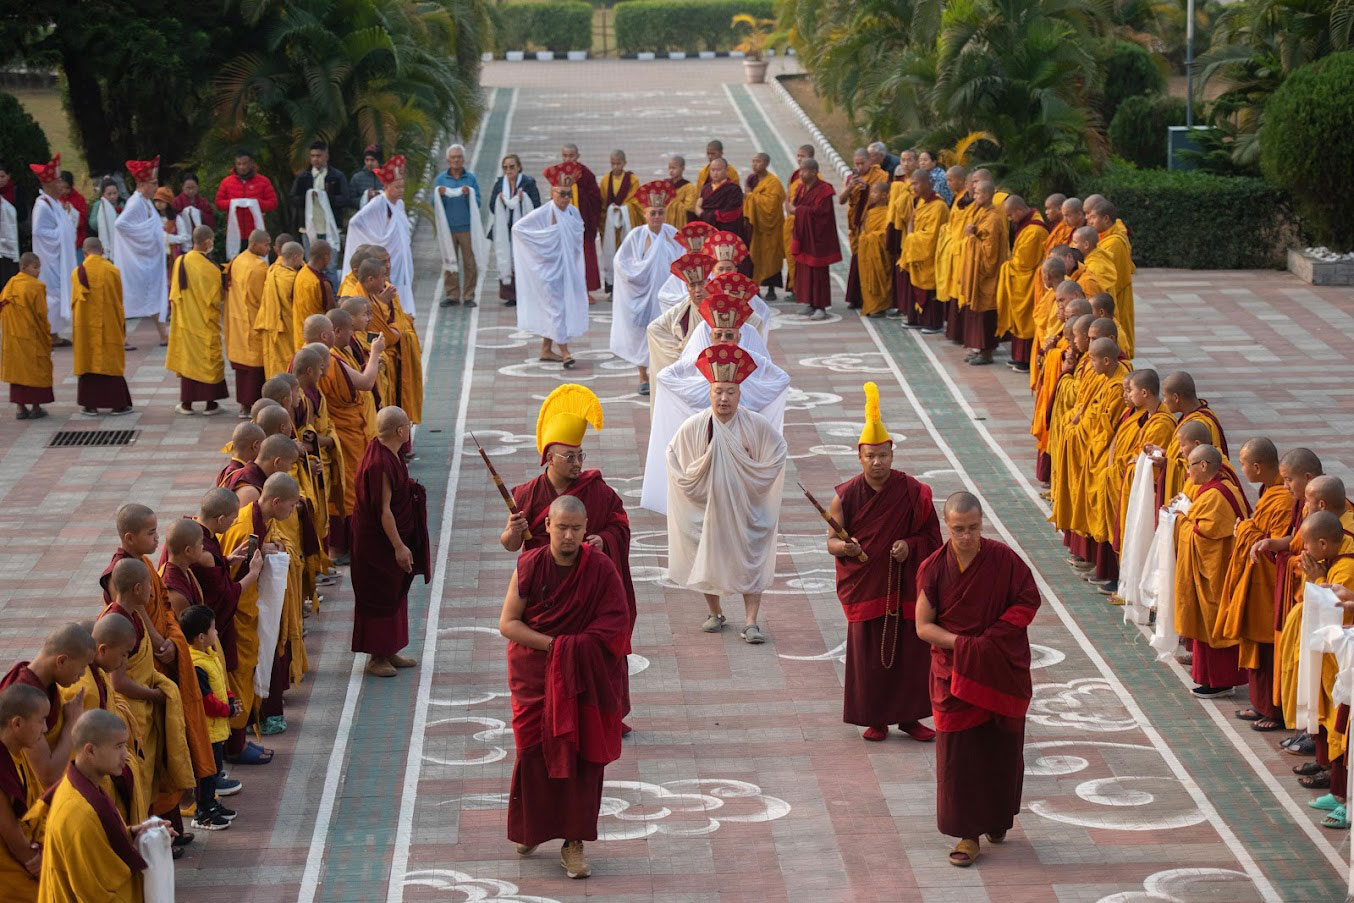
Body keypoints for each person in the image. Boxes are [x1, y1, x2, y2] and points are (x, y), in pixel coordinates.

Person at [499, 494, 629, 879]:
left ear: (586, 529)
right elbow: (508, 623)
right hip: (535, 676)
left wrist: (573, 651)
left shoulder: (601, 569)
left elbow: (616, 623)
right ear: (547, 528)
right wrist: (556, 646)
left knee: (580, 761)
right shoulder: (530, 565)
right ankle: (533, 829)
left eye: (575, 528)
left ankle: (574, 843)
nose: (568, 536)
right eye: (561, 528)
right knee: (532, 752)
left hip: (581, 681)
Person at [916, 491, 1039, 867]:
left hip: (999, 669)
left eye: (972, 528)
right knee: (960, 756)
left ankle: (997, 817)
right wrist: (965, 645)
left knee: (1000, 748)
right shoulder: (934, 568)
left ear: (982, 523)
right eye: (958, 529)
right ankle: (967, 834)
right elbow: (923, 626)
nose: (966, 536)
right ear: (945, 524)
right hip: (953, 675)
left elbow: (1028, 601)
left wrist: (991, 640)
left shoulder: (1004, 560)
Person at [828, 383, 941, 742]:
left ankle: (910, 719)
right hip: (866, 587)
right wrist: (844, 549)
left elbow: (933, 540)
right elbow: (832, 540)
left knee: (911, 654)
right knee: (869, 656)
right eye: (870, 457)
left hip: (903, 585)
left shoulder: (914, 492)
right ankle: (875, 718)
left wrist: (909, 546)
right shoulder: (845, 496)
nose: (878, 463)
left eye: (883, 456)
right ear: (859, 457)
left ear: (893, 455)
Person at [666, 344, 788, 644]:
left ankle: (750, 621)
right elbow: (673, 457)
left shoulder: (754, 425)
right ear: (709, 392)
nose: (724, 398)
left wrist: (754, 472)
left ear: (739, 394)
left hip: (746, 507)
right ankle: (715, 612)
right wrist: (695, 474)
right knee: (704, 556)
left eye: (730, 392)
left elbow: (778, 451)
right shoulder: (694, 426)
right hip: (706, 508)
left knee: (751, 558)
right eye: (718, 391)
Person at [502, 385, 636, 638]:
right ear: (550, 459)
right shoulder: (528, 493)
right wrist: (514, 531)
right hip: (543, 587)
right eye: (569, 457)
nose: (578, 464)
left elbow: (620, 525)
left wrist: (605, 539)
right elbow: (510, 545)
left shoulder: (597, 491)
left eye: (580, 456)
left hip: (586, 584)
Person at [217, 473, 301, 763]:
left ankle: (241, 737)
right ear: (276, 501)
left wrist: (267, 550)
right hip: (237, 614)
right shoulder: (244, 526)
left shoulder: (261, 519)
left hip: (250, 609)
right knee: (240, 674)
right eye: (290, 506)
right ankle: (234, 746)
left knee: (249, 669)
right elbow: (225, 578)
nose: (292, 512)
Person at [35, 709, 156, 902]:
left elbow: (100, 841)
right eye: (119, 747)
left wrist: (133, 833)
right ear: (90, 750)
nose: (126, 755)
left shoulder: (85, 788)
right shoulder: (78, 814)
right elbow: (94, 895)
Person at [1213, 437, 1291, 730]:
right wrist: (1249, 530)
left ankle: (1273, 710)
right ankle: (1261, 705)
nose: (1242, 468)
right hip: (1260, 582)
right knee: (1259, 647)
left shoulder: (1282, 498)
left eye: (1244, 464)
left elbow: (1275, 547)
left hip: (1269, 586)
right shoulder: (1271, 491)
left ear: (1257, 466)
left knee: (1269, 648)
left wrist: (1243, 529)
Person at [351, 407, 429, 677]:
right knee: (380, 596)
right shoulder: (379, 464)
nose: (409, 429)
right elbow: (384, 510)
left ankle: (389, 649)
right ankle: (376, 657)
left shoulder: (387, 452)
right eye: (408, 425)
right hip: (377, 544)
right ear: (399, 431)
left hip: (387, 537)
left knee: (395, 593)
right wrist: (398, 546)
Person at [1174, 445, 1249, 697]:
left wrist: (1181, 520)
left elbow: (1202, 533)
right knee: (1208, 621)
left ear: (1204, 466)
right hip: (1215, 566)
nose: (1187, 472)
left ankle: (1221, 681)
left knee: (1214, 621)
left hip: (1216, 570)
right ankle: (1209, 677)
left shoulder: (1217, 495)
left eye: (1190, 465)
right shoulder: (1218, 489)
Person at [319, 309, 384, 557]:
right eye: (349, 332)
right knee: (346, 488)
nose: (353, 335)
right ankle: (340, 547)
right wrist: (376, 353)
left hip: (346, 431)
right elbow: (366, 383)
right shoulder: (330, 361)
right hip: (340, 435)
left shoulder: (334, 356)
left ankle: (344, 545)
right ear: (333, 333)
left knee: (347, 487)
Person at [513, 162, 589, 368]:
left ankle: (546, 349)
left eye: (568, 194)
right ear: (552, 192)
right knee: (557, 310)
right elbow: (519, 229)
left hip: (567, 270)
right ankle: (565, 353)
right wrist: (546, 244)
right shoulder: (543, 213)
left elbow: (577, 234)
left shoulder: (573, 213)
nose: (565, 199)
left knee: (560, 309)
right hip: (549, 272)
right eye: (561, 194)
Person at [608, 180, 680, 395]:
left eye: (660, 212)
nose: (657, 217)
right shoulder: (636, 236)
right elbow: (621, 263)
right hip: (642, 295)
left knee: (668, 335)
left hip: (667, 296)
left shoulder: (672, 233)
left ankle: (664, 375)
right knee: (642, 334)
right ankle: (642, 375)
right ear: (645, 214)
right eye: (653, 213)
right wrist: (639, 276)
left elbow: (684, 258)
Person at [0, 622, 93, 787]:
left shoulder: (44, 683)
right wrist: (71, 723)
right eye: (82, 666)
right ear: (61, 661)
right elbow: (47, 775)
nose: (83, 674)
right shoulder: (26, 698)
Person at [342, 155, 418, 315]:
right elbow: (355, 222)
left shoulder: (400, 204)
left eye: (402, 187)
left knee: (402, 288)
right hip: (387, 255)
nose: (401, 191)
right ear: (386, 187)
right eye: (397, 187)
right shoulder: (378, 203)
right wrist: (377, 240)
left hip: (400, 256)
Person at [167, 225, 228, 414]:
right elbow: (217, 298)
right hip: (204, 323)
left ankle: (187, 404)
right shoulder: (210, 269)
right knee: (208, 360)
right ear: (208, 241)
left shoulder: (180, 261)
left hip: (185, 323)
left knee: (189, 361)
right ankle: (211, 404)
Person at [71, 237, 133, 415]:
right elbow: (118, 301)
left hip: (85, 330)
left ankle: (90, 405)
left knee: (88, 359)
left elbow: (74, 304)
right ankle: (117, 405)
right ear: (103, 250)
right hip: (109, 325)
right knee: (110, 360)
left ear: (84, 252)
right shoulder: (112, 271)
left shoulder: (77, 273)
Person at [1146, 371, 1226, 508]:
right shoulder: (1192, 416)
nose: (1164, 401)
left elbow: (1202, 466)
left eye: (1165, 397)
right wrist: (1165, 452)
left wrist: (1166, 463)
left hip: (1197, 493)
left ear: (1176, 397)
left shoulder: (1201, 422)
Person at [114, 158, 170, 339]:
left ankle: (163, 334)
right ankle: (119, 337)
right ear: (142, 184)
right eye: (153, 183)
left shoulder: (146, 201)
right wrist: (145, 240)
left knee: (153, 292)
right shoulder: (136, 202)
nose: (156, 187)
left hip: (148, 259)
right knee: (128, 295)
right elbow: (121, 224)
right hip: (138, 260)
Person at [0, 684, 47, 900]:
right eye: (41, 721)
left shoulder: (17, 754)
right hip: (13, 868)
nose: (45, 729)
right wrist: (36, 864)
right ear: (17, 723)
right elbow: (10, 831)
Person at [957, 181, 1009, 365]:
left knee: (985, 313)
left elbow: (990, 253)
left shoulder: (993, 218)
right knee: (975, 313)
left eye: (978, 193)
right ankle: (976, 348)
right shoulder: (979, 211)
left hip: (988, 275)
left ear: (987, 195)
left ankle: (987, 353)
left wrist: (971, 237)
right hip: (976, 274)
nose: (974, 196)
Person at [995, 195, 1047, 372]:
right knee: (1021, 319)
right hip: (1023, 279)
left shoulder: (1035, 230)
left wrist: (1007, 264)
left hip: (1028, 280)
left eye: (1010, 215)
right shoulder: (1027, 224)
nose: (1009, 220)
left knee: (1026, 320)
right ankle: (1019, 357)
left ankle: (1026, 360)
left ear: (1019, 210)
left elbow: (1024, 263)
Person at [0, 253, 54, 420]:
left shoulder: (10, 284)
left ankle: (20, 408)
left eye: (39, 267)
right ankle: (35, 407)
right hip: (32, 337)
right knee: (35, 369)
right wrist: (47, 332)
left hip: (14, 337)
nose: (38, 271)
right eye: (35, 267)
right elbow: (41, 313)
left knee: (18, 371)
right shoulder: (36, 286)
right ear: (23, 267)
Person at [28, 155, 75, 343]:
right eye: (57, 181)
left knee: (57, 292)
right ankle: (49, 332)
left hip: (58, 256)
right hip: (49, 258)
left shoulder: (53, 203)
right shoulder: (42, 205)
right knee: (52, 293)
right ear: (47, 184)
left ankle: (54, 332)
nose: (60, 185)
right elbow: (39, 232)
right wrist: (61, 232)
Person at [225, 230, 270, 413]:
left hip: (237, 321)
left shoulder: (237, 260)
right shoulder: (259, 268)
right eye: (265, 244)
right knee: (255, 366)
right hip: (253, 321)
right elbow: (264, 298)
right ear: (254, 244)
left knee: (243, 366)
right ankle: (253, 407)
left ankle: (244, 406)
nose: (268, 248)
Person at [289, 140, 349, 279]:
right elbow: (293, 197)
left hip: (330, 228)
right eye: (313, 156)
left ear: (326, 156)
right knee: (311, 266)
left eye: (319, 155)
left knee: (331, 266)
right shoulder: (304, 177)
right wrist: (308, 197)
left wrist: (326, 197)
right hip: (309, 228)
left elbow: (345, 198)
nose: (316, 159)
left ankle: (333, 298)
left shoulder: (336, 176)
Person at [790, 159, 841, 320]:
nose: (801, 174)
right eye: (800, 170)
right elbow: (796, 206)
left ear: (813, 172)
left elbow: (821, 214)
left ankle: (821, 306)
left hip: (819, 237)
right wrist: (795, 210)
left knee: (818, 273)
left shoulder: (824, 190)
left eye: (804, 171)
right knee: (805, 270)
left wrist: (797, 211)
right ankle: (810, 303)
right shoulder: (801, 188)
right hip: (805, 235)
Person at [433, 143, 482, 307]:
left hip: (467, 228)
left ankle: (469, 295)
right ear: (448, 159)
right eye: (453, 157)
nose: (456, 160)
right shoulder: (441, 179)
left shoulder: (470, 178)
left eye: (459, 157)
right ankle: (452, 295)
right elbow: (434, 203)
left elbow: (479, 202)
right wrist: (440, 195)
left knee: (469, 263)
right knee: (449, 261)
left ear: (464, 159)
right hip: (448, 229)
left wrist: (470, 195)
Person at [839, 148, 888, 310]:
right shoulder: (851, 177)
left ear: (870, 161)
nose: (859, 167)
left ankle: (870, 298)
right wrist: (850, 186)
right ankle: (856, 298)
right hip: (856, 225)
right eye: (856, 163)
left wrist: (867, 188)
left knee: (869, 260)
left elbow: (882, 199)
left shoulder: (880, 176)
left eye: (862, 163)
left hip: (871, 221)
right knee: (857, 259)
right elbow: (841, 200)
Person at [488, 153, 540, 306]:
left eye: (512, 167)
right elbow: (491, 206)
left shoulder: (528, 183)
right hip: (505, 229)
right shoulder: (499, 184)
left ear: (519, 167)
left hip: (522, 230)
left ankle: (526, 294)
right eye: (505, 168)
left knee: (523, 261)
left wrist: (524, 200)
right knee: (507, 260)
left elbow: (536, 205)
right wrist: (500, 201)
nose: (508, 170)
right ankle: (511, 295)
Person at [900, 169, 948, 332]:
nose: (913, 187)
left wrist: (912, 237)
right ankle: (916, 319)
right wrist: (911, 236)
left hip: (930, 255)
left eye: (917, 183)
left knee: (929, 287)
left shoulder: (939, 206)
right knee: (913, 285)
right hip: (917, 252)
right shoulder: (920, 202)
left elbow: (932, 236)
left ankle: (933, 323)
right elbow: (912, 223)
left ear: (929, 183)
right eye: (912, 183)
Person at [215, 150, 279, 259]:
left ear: (251, 164)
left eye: (244, 164)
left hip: (255, 233)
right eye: (239, 164)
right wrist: (233, 203)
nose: (242, 167)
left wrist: (256, 203)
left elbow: (273, 203)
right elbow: (218, 203)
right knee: (236, 263)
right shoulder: (227, 182)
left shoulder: (263, 181)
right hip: (235, 233)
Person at [256, 240, 304, 379]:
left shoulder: (272, 270)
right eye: (301, 258)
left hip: (272, 326)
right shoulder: (293, 279)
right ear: (296, 257)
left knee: (275, 364)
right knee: (288, 363)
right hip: (288, 329)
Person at [559, 144, 603, 293]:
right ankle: (566, 289)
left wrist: (578, 192)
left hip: (583, 223)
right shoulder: (558, 174)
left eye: (571, 156)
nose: (568, 159)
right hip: (564, 223)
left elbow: (596, 198)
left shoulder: (586, 174)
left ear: (578, 156)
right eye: (565, 156)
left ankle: (586, 290)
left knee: (585, 257)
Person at [598, 150, 642, 295]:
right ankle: (612, 288)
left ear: (624, 163)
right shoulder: (606, 180)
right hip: (610, 226)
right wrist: (610, 210)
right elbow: (603, 202)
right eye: (613, 163)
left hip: (626, 224)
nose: (616, 166)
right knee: (612, 255)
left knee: (627, 255)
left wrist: (624, 209)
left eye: (618, 163)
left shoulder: (632, 180)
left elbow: (636, 200)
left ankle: (628, 287)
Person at [743, 153, 785, 301]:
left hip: (770, 228)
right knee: (755, 257)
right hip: (755, 227)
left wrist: (751, 197)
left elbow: (772, 205)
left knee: (771, 257)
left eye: (758, 162)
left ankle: (771, 289)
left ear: (766, 163)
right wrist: (749, 197)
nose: (755, 164)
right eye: (753, 161)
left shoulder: (773, 182)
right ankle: (756, 288)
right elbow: (746, 198)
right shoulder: (752, 179)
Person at [692, 158, 748, 263]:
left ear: (726, 171)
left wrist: (704, 214)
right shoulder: (706, 188)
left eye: (718, 170)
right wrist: (701, 212)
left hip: (727, 233)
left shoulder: (734, 189)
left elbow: (732, 214)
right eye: (712, 170)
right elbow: (697, 206)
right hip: (708, 233)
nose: (715, 173)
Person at [855, 181, 893, 317]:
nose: (872, 195)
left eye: (875, 192)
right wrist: (864, 237)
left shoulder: (888, 212)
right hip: (867, 252)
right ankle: (870, 305)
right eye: (871, 192)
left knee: (880, 278)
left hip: (879, 253)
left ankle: (880, 306)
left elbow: (885, 234)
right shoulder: (869, 212)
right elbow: (862, 227)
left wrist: (870, 237)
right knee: (867, 279)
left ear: (884, 195)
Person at [781, 144, 814, 297]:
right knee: (792, 257)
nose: (800, 159)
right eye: (798, 156)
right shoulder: (795, 175)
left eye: (803, 156)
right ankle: (795, 287)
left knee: (803, 258)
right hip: (792, 222)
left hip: (805, 226)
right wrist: (788, 210)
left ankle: (803, 289)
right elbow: (789, 197)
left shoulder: (816, 179)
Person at [291, 239, 336, 349]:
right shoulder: (321, 282)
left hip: (301, 334)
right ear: (326, 256)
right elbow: (332, 313)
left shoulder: (300, 274)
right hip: (318, 339)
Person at [0, 165, 27, 287]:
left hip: (14, 239)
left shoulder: (16, 191)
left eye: (2, 176)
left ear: (9, 176)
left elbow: (22, 214)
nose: (0, 180)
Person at [664, 155, 697, 229]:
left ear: (682, 168)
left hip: (681, 224)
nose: (671, 171)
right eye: (669, 168)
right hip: (665, 221)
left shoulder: (689, 187)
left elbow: (690, 208)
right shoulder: (665, 184)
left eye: (674, 168)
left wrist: (672, 204)